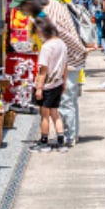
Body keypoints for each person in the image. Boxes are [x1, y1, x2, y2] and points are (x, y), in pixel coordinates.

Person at [16, 0, 88, 146]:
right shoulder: (51, 4)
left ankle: (69, 136)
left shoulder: (47, 15)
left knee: (64, 100)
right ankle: (71, 134)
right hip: (68, 59)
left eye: (21, 7)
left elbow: (62, 39)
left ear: (28, 3)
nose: (20, 11)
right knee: (68, 99)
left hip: (66, 61)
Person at [33, 15, 69, 150]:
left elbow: (43, 70)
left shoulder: (46, 47)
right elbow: (65, 65)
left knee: (44, 115)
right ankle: (61, 141)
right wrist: (64, 82)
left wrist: (39, 88)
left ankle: (44, 142)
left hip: (47, 86)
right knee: (55, 113)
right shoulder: (61, 44)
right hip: (58, 83)